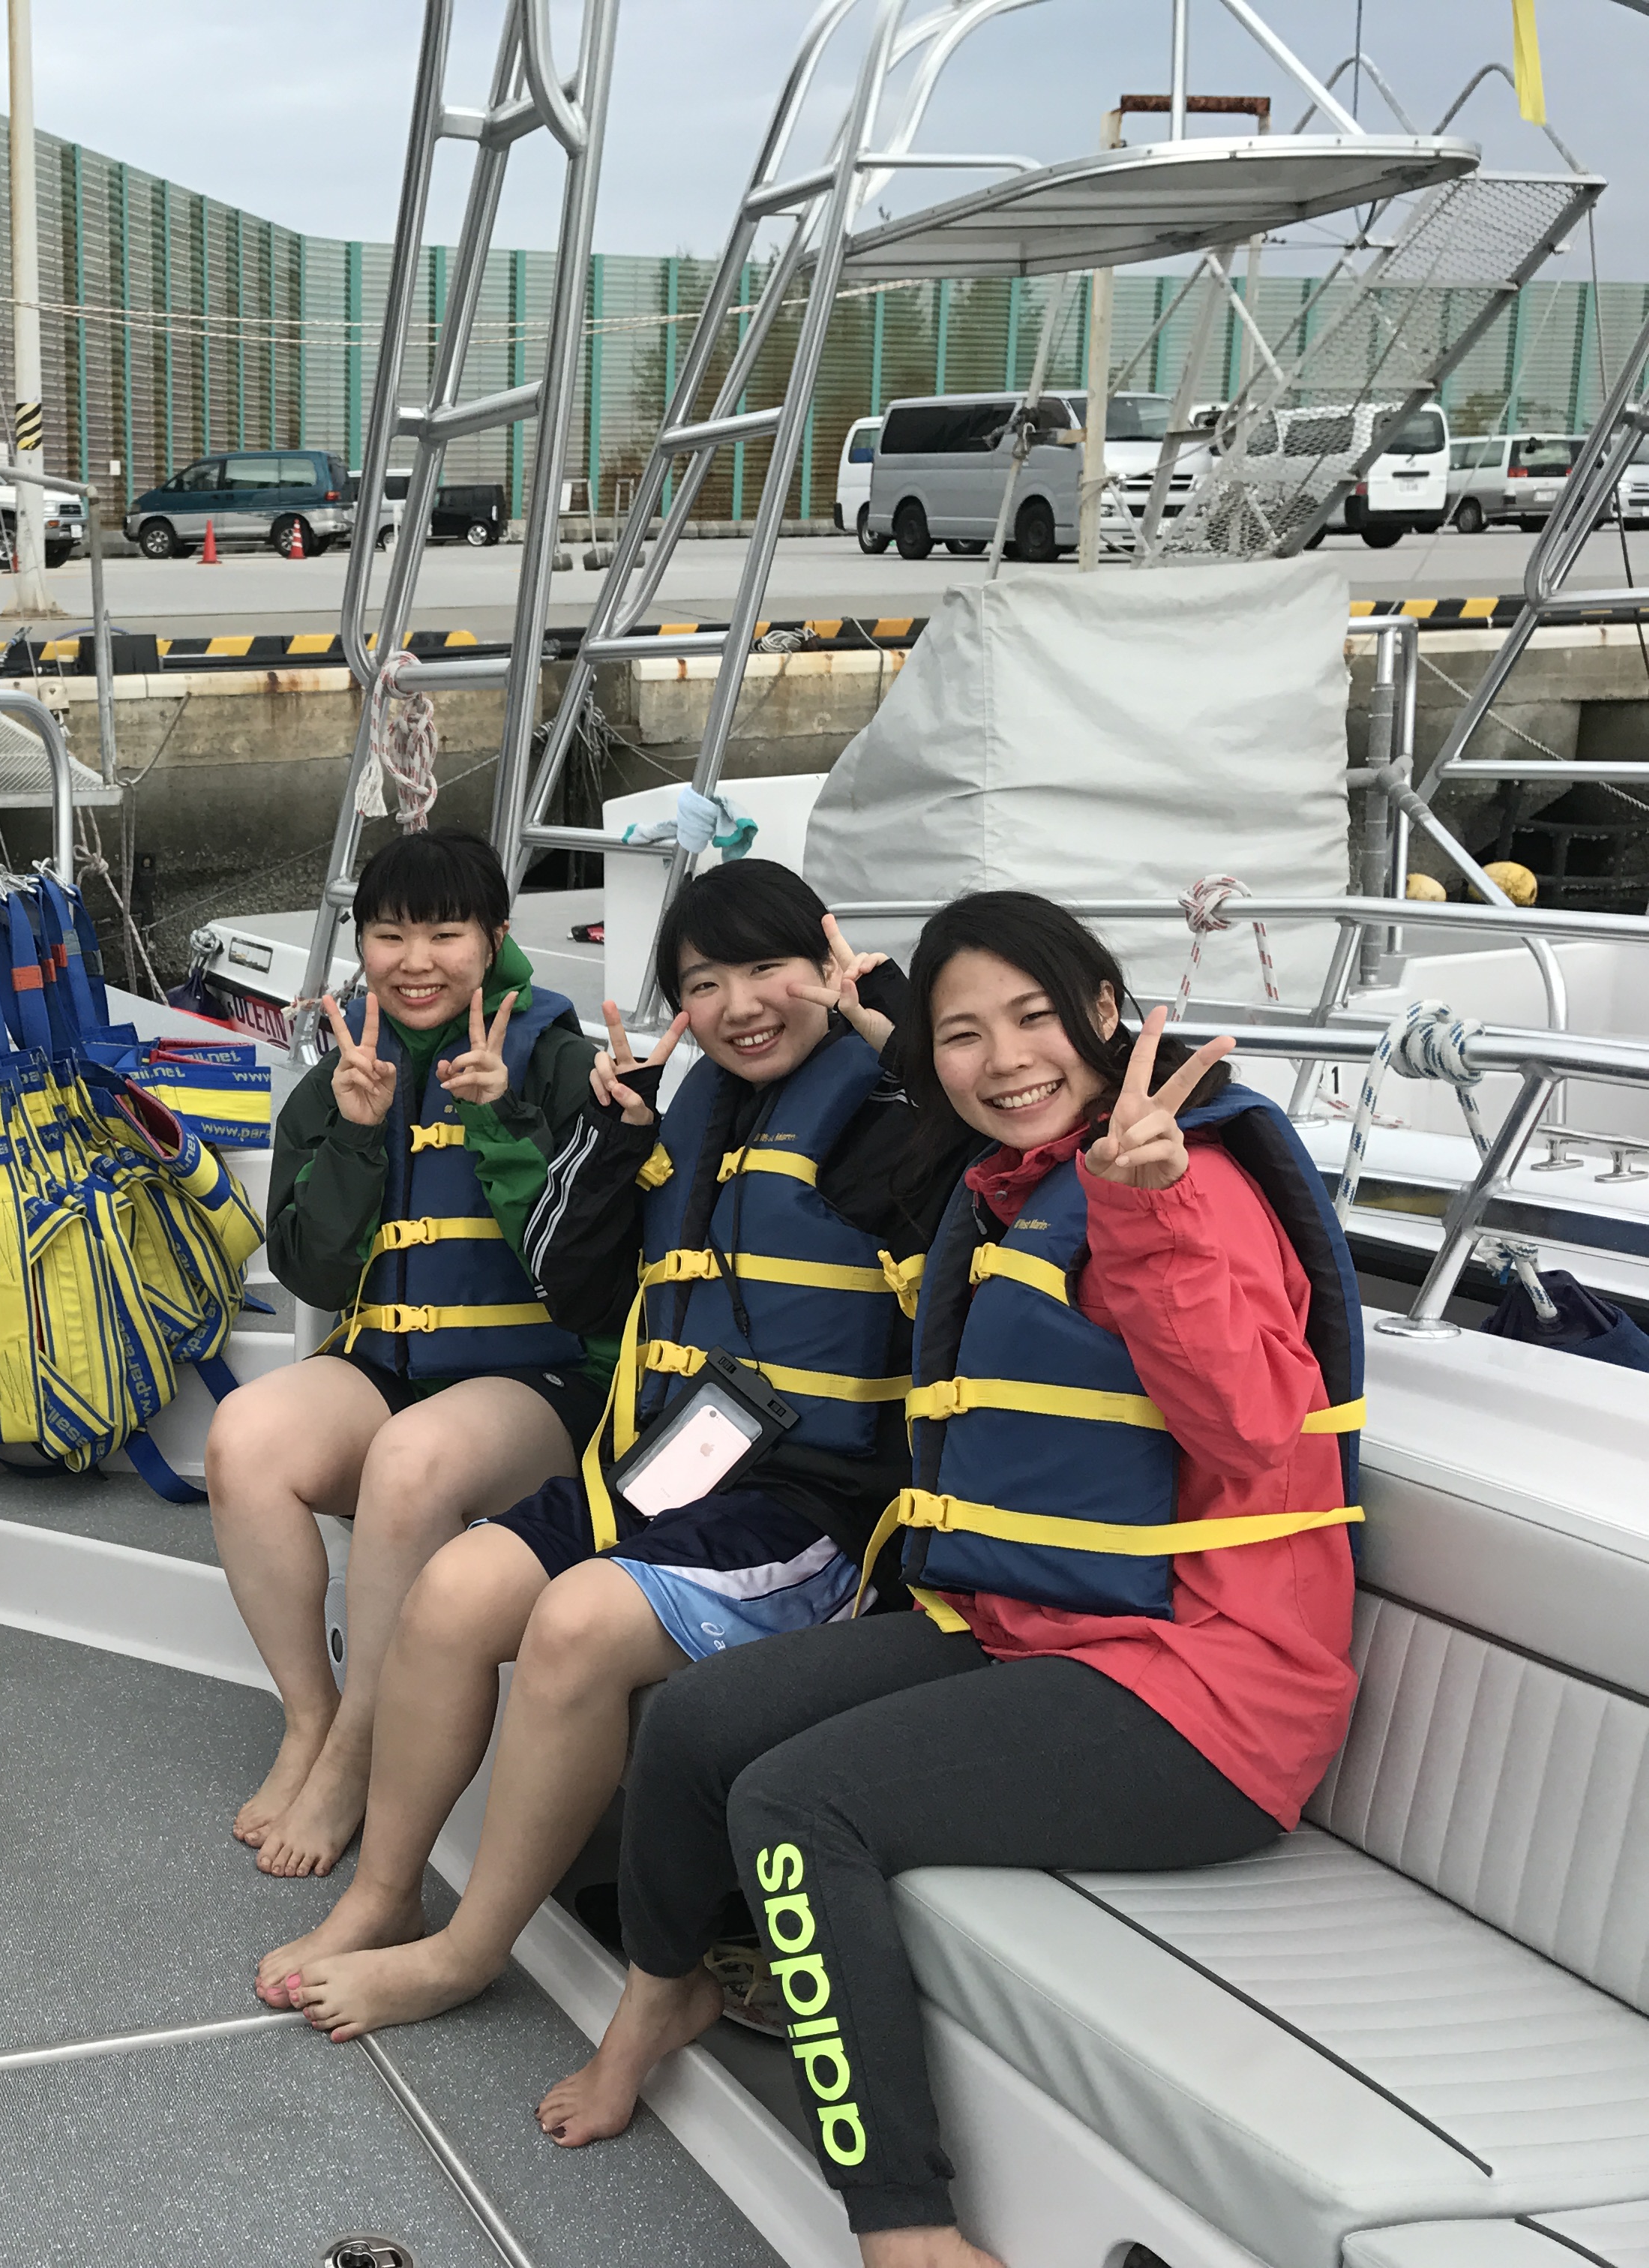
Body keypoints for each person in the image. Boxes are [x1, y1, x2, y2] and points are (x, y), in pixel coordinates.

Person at [542, 891, 1365, 2264]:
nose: (1005, 1059)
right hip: (1039, 1625)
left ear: (1102, 1012)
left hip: (1205, 1695)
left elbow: (1254, 1432)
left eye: (1032, 1018)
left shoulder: (1182, 1185)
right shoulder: (1012, 1182)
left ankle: (905, 2224)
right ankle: (661, 1994)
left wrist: (1149, 1211)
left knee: (794, 1804)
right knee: (693, 1722)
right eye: (962, 1033)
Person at [268, 861, 954, 2074]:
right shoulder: (685, 1108)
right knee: (450, 1593)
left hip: (814, 1503)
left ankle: (466, 1949)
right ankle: (387, 1891)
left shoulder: (900, 1112)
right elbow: (575, 1289)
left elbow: (979, 1166)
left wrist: (896, 1026)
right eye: (705, 983)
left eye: (769, 968)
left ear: (830, 969)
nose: (741, 1004)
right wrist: (607, 1138)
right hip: (663, 1468)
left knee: (575, 1622)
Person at [209, 828, 603, 1878]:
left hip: (539, 1383)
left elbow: (593, 1268)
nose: (415, 961)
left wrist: (505, 1122)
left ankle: (356, 1753)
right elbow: (315, 1276)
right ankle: (311, 1717)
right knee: (244, 1436)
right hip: (390, 1365)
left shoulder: (560, 1062)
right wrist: (354, 1135)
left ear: (496, 939)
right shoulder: (341, 1075)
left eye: (445, 934)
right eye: (389, 935)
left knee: (413, 1458)